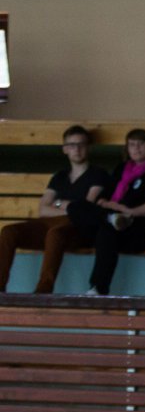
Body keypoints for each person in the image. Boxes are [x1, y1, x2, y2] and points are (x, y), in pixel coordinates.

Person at [0, 125, 108, 293]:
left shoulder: (98, 174)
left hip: (77, 228)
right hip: (49, 223)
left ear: (88, 147)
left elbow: (84, 209)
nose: (77, 149)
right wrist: (68, 206)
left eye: (81, 144)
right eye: (72, 145)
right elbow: (43, 209)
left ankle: (43, 289)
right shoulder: (60, 176)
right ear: (65, 149)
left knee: (55, 233)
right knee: (9, 231)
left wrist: (58, 203)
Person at [66, 128, 145, 296]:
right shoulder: (122, 168)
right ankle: (111, 218)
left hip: (140, 225)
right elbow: (103, 197)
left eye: (141, 144)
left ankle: (98, 288)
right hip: (113, 218)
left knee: (107, 233)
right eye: (131, 144)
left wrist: (128, 211)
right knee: (76, 208)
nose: (136, 148)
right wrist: (108, 206)